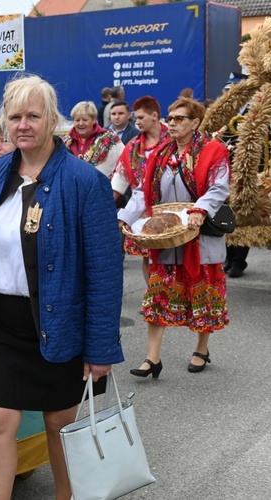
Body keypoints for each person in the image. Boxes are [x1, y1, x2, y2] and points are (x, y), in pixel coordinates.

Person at [0, 75, 124, 499]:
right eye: (15, 116)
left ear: (53, 120)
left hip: (61, 326)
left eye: (33, 116)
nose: (23, 125)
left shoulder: (84, 182)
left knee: (60, 426)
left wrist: (100, 350)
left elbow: (105, 272)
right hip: (5, 323)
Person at [118, 97, 230, 377]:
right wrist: (123, 218)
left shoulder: (213, 151)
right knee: (158, 295)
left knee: (203, 294)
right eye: (170, 117)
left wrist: (199, 210)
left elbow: (218, 187)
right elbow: (143, 192)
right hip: (167, 236)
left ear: (195, 123)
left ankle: (201, 348)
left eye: (180, 119)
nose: (172, 123)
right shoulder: (160, 154)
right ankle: (152, 358)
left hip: (200, 236)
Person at [111, 96, 170, 282]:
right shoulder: (132, 147)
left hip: (172, 207)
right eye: (135, 118)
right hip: (142, 210)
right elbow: (119, 181)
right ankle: (153, 296)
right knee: (149, 257)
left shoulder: (173, 140)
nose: (136, 122)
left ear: (154, 116)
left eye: (141, 118)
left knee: (174, 256)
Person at [63, 100, 124, 177]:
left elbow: (124, 163)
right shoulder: (65, 142)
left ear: (94, 120)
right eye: (77, 120)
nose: (81, 123)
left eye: (85, 120)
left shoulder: (110, 139)